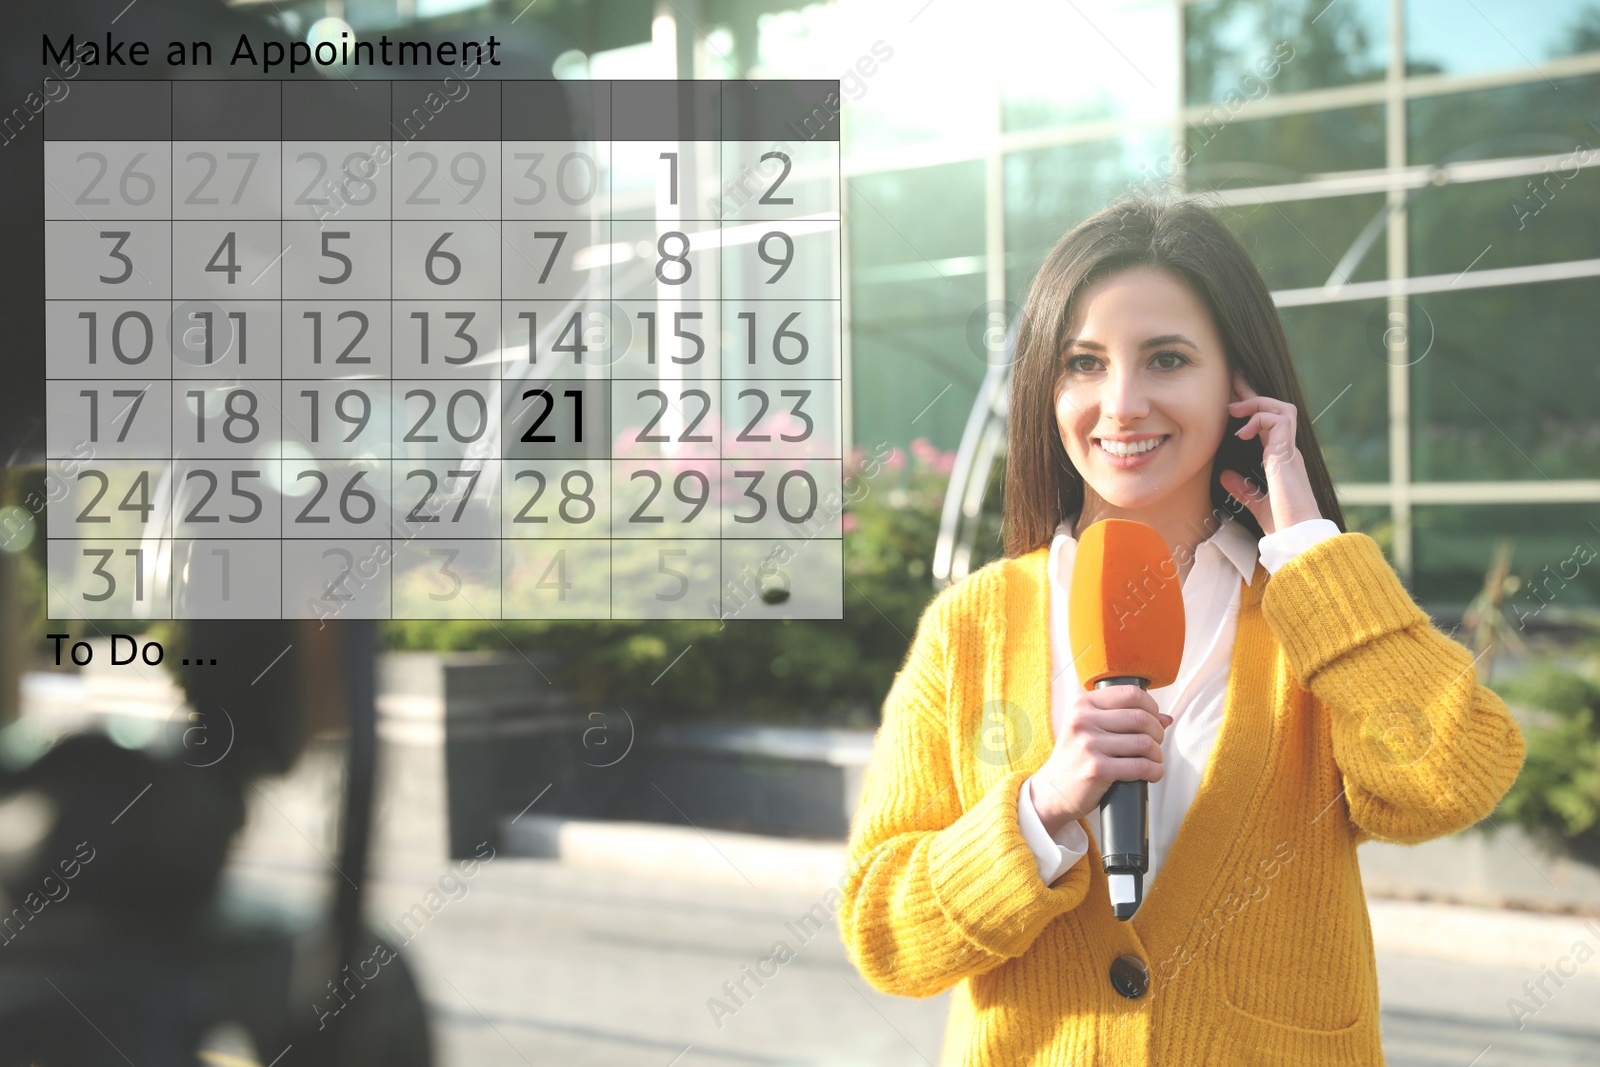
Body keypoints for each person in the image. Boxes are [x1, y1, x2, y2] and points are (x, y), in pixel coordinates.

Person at [836, 193, 1526, 1065]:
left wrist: (1311, 550)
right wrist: (1041, 809)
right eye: (1083, 363)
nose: (1121, 403)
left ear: (1238, 384)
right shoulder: (970, 627)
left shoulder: (1310, 608)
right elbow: (885, 937)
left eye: (1166, 358)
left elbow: (1450, 777)